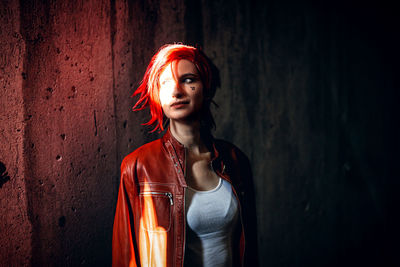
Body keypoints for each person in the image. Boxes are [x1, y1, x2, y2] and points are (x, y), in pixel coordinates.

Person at [112, 44, 259, 267]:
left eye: (188, 79)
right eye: (166, 83)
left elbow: (249, 249)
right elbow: (125, 256)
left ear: (206, 88)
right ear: (157, 95)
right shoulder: (137, 166)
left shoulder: (235, 160)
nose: (177, 91)